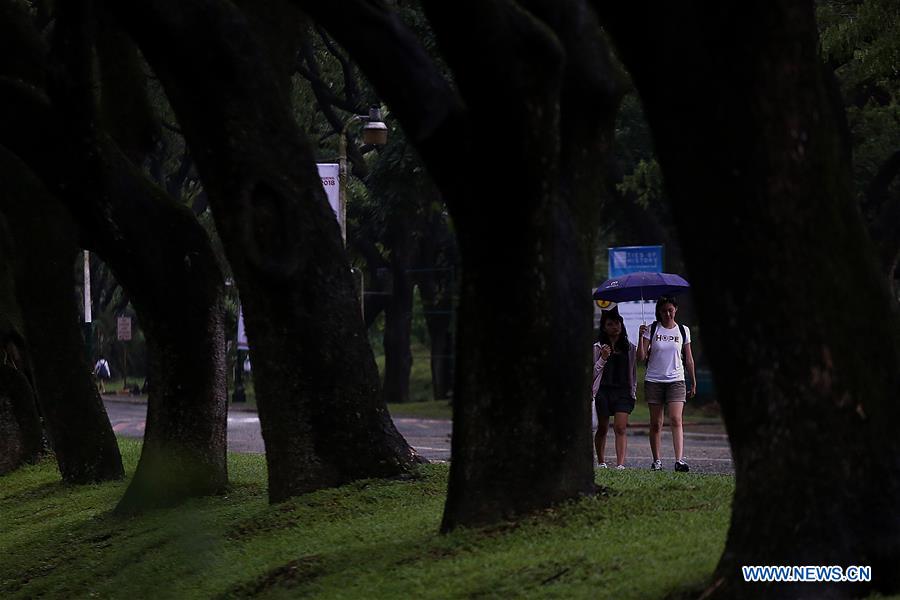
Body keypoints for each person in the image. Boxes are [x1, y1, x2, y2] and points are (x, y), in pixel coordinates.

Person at [638, 295, 696, 472]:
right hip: (654, 380)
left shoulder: (683, 330)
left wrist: (693, 381)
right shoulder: (652, 329)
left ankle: (679, 460)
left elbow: (689, 359)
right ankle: (657, 461)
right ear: (659, 312)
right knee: (656, 423)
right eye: (664, 311)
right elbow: (641, 357)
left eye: (670, 310)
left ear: (675, 310)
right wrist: (640, 337)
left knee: (676, 419)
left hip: (676, 379)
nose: (667, 314)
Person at [592, 308, 637, 470]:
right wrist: (603, 358)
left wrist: (633, 391)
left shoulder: (629, 348)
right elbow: (592, 373)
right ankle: (601, 461)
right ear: (604, 328)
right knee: (603, 427)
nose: (614, 327)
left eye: (617, 323)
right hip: (603, 391)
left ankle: (620, 464)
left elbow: (633, 372)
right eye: (610, 324)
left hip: (623, 392)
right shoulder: (597, 348)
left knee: (620, 427)